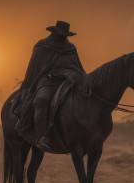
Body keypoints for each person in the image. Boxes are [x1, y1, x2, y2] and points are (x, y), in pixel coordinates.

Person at [14, 21, 85, 151]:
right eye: (61, 34)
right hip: (47, 80)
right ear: (54, 33)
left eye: (65, 35)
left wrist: (77, 76)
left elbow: (77, 66)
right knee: (41, 100)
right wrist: (28, 86)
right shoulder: (42, 46)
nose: (63, 37)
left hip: (69, 80)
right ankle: (42, 136)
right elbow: (34, 68)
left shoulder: (71, 48)